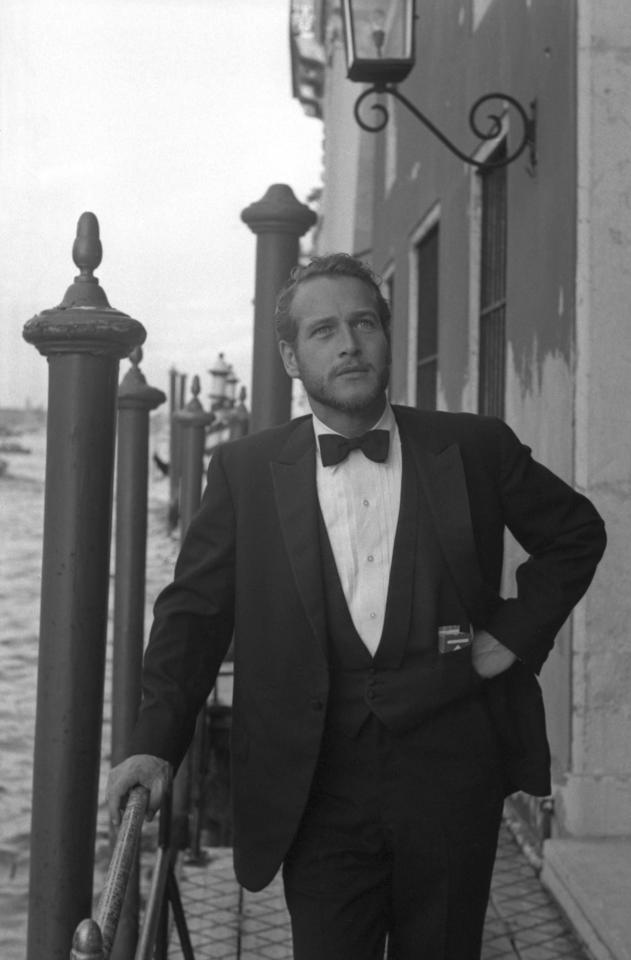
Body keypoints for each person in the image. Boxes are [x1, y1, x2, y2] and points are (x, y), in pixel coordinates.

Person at [108, 253, 606, 960]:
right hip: (313, 787)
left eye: (363, 323)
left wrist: (507, 636)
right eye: (323, 331)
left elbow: (575, 534)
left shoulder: (471, 447)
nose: (347, 343)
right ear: (289, 354)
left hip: (452, 773)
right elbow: (192, 617)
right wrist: (153, 746)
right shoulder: (245, 471)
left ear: (385, 336)